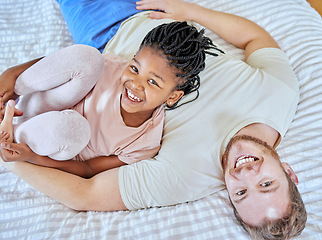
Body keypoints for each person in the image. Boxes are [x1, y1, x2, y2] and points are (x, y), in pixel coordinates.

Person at [0, 0, 307, 239]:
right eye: (266, 183)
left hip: (110, 32)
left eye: (240, 192)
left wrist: (14, 159)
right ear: (289, 172)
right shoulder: (281, 92)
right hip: (162, 16)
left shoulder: (185, 177)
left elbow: (85, 192)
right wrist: (188, 10)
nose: (246, 173)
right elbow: (255, 38)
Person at [0, 20, 219, 177]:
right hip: (33, 102)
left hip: (42, 139)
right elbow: (61, 63)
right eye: (134, 68)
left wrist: (30, 157)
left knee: (76, 128)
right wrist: (13, 75)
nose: (135, 84)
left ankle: (10, 134)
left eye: (153, 82)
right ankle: (9, 98)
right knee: (90, 57)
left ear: (173, 96)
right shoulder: (113, 67)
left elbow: (88, 169)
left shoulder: (144, 143)